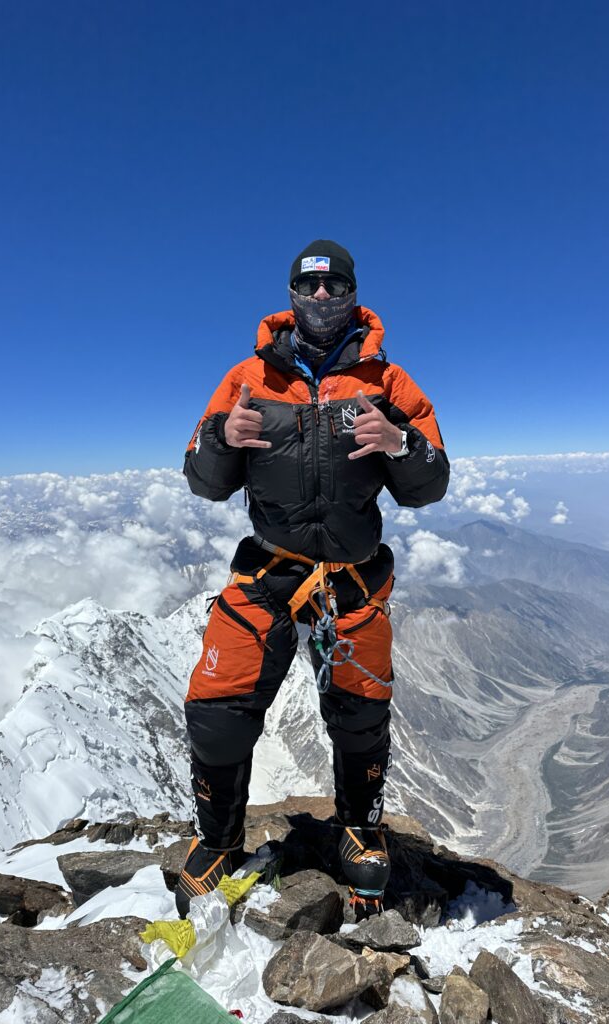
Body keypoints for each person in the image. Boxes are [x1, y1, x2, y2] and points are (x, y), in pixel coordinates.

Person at [179, 240, 450, 917]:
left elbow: (430, 481)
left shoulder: (388, 384)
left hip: (352, 579)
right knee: (217, 710)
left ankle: (360, 828)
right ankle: (217, 841)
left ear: (353, 293)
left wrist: (402, 445)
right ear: (292, 295)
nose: (323, 298)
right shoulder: (246, 380)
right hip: (270, 570)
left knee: (360, 717)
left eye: (336, 287)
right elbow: (203, 480)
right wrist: (220, 438)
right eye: (311, 286)